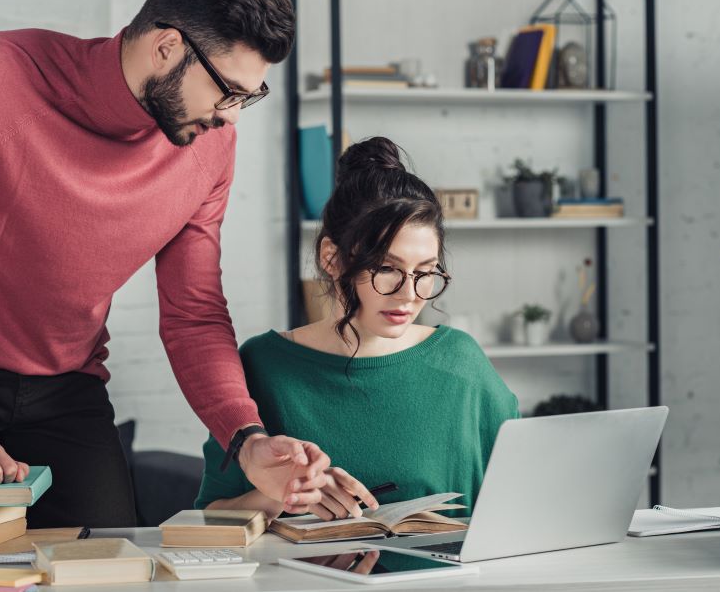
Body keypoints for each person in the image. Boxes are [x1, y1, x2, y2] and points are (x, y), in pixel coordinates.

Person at [0, 0, 336, 529]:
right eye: (227, 91)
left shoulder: (207, 144)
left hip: (68, 387)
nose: (232, 116)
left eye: (248, 98)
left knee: (111, 565)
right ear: (167, 47)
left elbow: (193, 313)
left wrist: (246, 439)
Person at [195, 137, 520, 520]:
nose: (408, 295)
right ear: (331, 258)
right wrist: (285, 495)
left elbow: (519, 505)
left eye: (425, 272)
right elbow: (211, 517)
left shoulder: (461, 365)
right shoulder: (264, 365)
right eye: (386, 269)